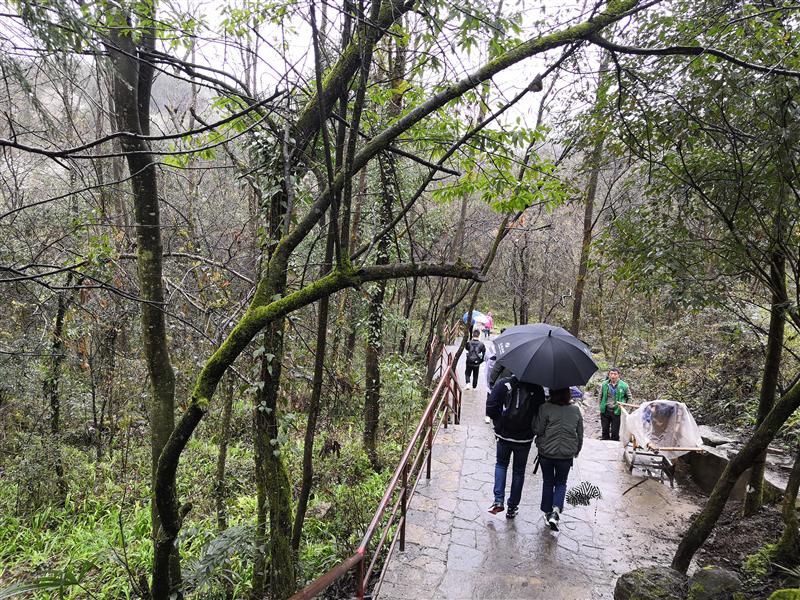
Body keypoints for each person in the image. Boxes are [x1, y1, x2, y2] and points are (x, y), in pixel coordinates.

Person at [485, 375, 546, 519]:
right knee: (519, 471)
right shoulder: (537, 389)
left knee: (501, 465)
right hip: (524, 439)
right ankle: (512, 507)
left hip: (504, 435)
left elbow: (491, 408)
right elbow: (540, 413)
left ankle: (498, 500)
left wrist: (499, 423)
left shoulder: (503, 384)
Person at [536, 387, 584, 531]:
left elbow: (538, 429)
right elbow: (580, 433)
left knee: (548, 481)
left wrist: (539, 440)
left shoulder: (545, 408)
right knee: (561, 483)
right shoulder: (575, 410)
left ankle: (547, 512)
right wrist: (576, 451)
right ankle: (555, 511)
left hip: (546, 453)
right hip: (566, 455)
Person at [599, 368, 631, 441]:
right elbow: (600, 396)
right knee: (605, 429)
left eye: (615, 374)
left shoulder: (624, 385)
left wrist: (625, 409)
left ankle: (614, 447)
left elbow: (629, 398)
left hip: (617, 411)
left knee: (615, 431)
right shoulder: (604, 384)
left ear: (618, 375)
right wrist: (600, 407)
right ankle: (605, 442)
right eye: (611, 374)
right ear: (609, 375)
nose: (613, 376)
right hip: (605, 409)